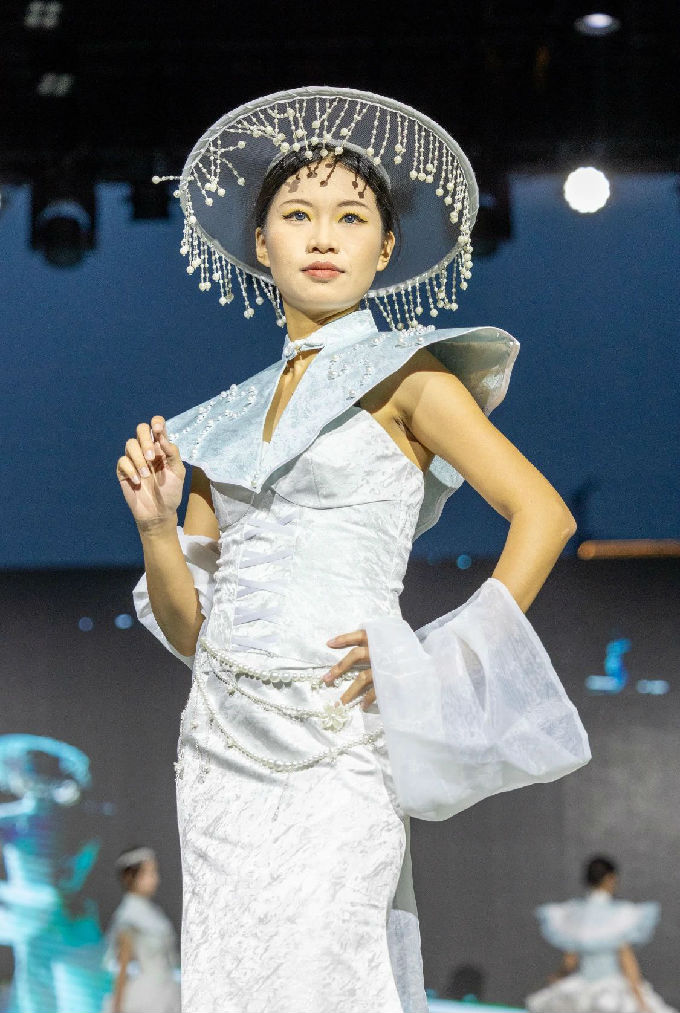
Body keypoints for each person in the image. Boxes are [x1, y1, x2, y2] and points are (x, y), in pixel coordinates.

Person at [119, 86, 591, 1012]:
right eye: (298, 215)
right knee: (234, 985)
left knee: (327, 972)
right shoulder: (217, 424)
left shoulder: (410, 375)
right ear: (262, 244)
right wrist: (155, 529)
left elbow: (543, 514)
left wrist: (435, 654)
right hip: (218, 747)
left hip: (339, 739)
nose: (323, 236)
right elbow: (190, 632)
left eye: (351, 216)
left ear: (385, 247)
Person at [526, 855, 676, 1013]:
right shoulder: (620, 915)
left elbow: (570, 961)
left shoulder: (574, 915)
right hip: (611, 991)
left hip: (580, 989)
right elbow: (626, 960)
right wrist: (640, 1000)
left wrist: (557, 977)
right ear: (610, 878)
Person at [102, 846, 180, 1013]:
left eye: (154, 873)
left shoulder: (154, 913)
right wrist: (117, 1006)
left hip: (168, 990)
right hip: (148, 996)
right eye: (149, 874)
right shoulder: (129, 916)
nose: (155, 879)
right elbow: (123, 966)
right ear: (131, 877)